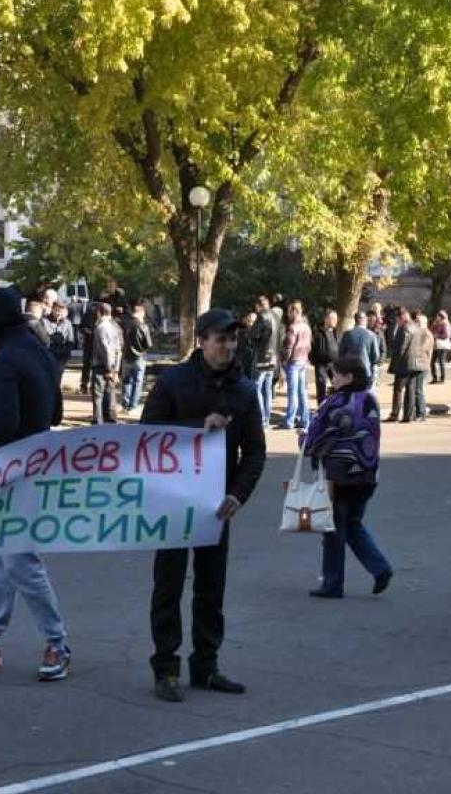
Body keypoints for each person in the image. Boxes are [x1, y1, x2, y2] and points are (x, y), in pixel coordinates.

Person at [142, 309, 267, 702]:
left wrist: (237, 495)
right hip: (174, 502)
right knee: (168, 587)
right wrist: (197, 428)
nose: (229, 346)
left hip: (217, 505)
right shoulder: (174, 381)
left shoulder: (244, 390)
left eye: (233, 340)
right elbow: (147, 437)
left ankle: (206, 666)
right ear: (202, 341)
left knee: (211, 589)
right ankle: (166, 668)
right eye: (221, 339)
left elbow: (255, 452)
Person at [0, 287, 72, 682]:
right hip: (36, 463)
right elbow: (56, 413)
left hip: (7, 470)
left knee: (19, 560)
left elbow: (2, 423)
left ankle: (57, 642)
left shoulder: (6, 358)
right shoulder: (39, 349)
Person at [302, 355, 393, 598]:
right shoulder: (370, 400)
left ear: (349, 377)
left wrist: (303, 440)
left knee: (333, 529)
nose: (332, 378)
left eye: (336, 374)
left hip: (339, 476)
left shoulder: (335, 403)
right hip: (367, 474)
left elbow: (316, 439)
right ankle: (380, 568)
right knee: (352, 523)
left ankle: (332, 584)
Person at [280, 300, 312, 430]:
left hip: (293, 362)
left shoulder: (293, 328)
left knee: (292, 392)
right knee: (302, 392)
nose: (288, 314)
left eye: (289, 311)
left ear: (294, 311)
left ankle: (289, 420)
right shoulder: (306, 327)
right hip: (303, 361)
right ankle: (305, 419)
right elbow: (309, 346)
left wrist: (283, 360)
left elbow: (288, 348)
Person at [90, 301, 123, 424]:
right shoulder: (114, 326)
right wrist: (116, 369)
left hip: (102, 366)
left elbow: (105, 349)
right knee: (110, 394)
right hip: (111, 365)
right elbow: (118, 348)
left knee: (98, 395)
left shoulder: (101, 327)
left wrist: (109, 369)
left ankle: (98, 421)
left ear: (100, 312)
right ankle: (110, 420)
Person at [250, 296, 280, 427]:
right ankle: (266, 418)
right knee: (267, 389)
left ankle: (261, 418)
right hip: (273, 357)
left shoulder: (262, 317)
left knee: (256, 387)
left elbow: (252, 334)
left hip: (262, 357)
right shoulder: (276, 317)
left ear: (259, 306)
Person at [121, 299, 154, 415]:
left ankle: (125, 405)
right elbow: (148, 344)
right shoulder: (143, 326)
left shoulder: (125, 324)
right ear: (141, 313)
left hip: (126, 357)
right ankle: (133, 406)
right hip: (139, 358)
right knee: (137, 382)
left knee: (126, 382)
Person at [338, 310, 381, 388]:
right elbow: (375, 357)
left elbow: (341, 354)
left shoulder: (346, 335)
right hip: (365, 371)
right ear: (364, 320)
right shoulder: (371, 335)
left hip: (350, 372)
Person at [310, 308, 340, 406]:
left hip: (334, 364)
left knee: (338, 385)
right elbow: (311, 347)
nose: (335, 321)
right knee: (321, 386)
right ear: (326, 319)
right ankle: (321, 407)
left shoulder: (336, 332)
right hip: (321, 364)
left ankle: (336, 406)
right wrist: (314, 360)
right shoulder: (317, 332)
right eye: (333, 319)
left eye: (336, 319)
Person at [410, 311, 433, 420]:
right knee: (415, 389)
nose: (417, 324)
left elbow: (422, 349)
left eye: (419, 322)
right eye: (416, 322)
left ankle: (421, 413)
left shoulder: (426, 335)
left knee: (419, 390)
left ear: (425, 323)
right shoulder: (419, 334)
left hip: (423, 365)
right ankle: (416, 412)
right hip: (417, 364)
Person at [44, 300, 75, 371]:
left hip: (62, 355)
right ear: (52, 310)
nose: (58, 313)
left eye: (61, 311)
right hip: (49, 354)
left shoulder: (67, 323)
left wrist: (65, 353)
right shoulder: (44, 321)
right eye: (56, 310)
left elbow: (70, 340)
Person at [430, 310, 451, 384]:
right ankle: (434, 377)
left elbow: (446, 335)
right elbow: (432, 330)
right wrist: (434, 325)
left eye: (438, 316)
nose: (437, 317)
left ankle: (443, 378)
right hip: (436, 344)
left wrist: (437, 335)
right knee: (432, 361)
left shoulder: (445, 324)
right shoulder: (437, 323)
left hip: (442, 345)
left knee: (441, 361)